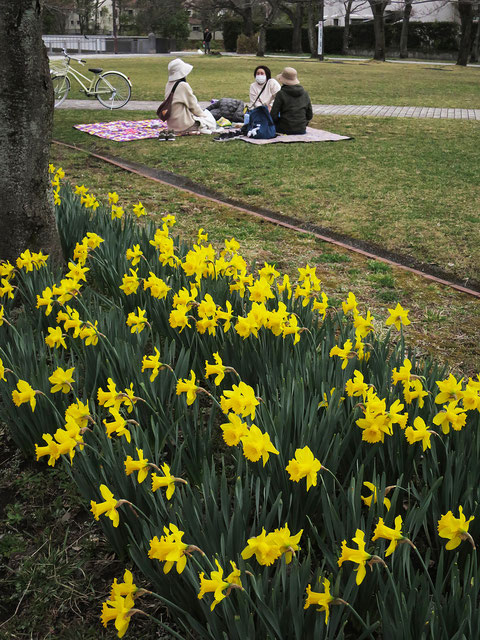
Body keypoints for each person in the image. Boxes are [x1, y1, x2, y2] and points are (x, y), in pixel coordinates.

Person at [164, 58, 216, 134]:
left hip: (171, 125)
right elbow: (193, 106)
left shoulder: (168, 84)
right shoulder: (183, 85)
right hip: (184, 125)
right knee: (209, 117)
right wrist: (204, 116)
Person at [270, 67, 313, 135]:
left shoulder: (281, 94)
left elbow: (273, 115)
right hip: (301, 128)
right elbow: (309, 115)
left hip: (284, 128)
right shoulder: (305, 93)